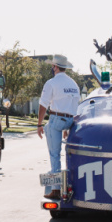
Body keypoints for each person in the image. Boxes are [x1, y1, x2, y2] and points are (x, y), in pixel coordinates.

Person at [37, 54, 81, 200]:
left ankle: (55, 188)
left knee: (55, 154)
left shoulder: (51, 83)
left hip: (57, 119)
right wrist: (68, 128)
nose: (52, 68)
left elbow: (43, 104)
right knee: (66, 150)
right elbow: (76, 106)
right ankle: (65, 180)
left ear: (55, 67)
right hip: (71, 121)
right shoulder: (73, 84)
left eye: (52, 66)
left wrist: (38, 124)